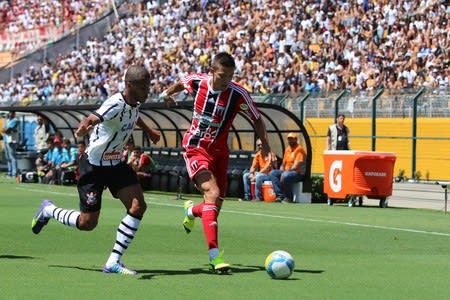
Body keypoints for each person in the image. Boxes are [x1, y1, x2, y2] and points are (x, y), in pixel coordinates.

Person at [31, 65, 161, 275]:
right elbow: (93, 118)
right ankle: (49, 210)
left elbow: (133, 115)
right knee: (87, 223)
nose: (148, 91)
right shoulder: (114, 104)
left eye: (148, 86)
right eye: (144, 87)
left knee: (138, 206)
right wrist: (83, 127)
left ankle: (113, 261)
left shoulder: (135, 101)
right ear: (130, 86)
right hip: (93, 166)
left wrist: (149, 130)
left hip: (116, 164)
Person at [160, 52, 272, 273]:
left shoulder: (238, 93)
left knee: (216, 204)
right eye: (222, 76)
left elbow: (257, 118)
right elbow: (181, 83)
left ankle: (191, 212)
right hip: (195, 147)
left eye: (230, 76)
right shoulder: (197, 81)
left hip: (220, 153)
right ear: (212, 71)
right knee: (212, 192)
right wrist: (166, 94)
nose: (226, 81)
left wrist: (266, 145)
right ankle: (215, 256)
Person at [269, 132, 306, 203]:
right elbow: (283, 164)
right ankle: (279, 196)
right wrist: (281, 171)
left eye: (292, 139)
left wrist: (284, 173)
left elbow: (295, 166)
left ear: (296, 139)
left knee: (285, 175)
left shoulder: (299, 149)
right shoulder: (287, 149)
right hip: (287, 171)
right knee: (273, 173)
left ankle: (289, 197)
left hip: (297, 173)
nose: (290, 141)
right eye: (289, 139)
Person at [2, 111, 18, 177]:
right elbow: (2, 130)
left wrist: (6, 130)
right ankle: (9, 172)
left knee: (12, 157)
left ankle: (14, 173)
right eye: (9, 112)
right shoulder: (7, 120)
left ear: (14, 113)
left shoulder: (15, 120)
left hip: (11, 140)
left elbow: (8, 130)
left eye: (11, 112)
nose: (10, 114)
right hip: (5, 140)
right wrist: (5, 130)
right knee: (7, 157)